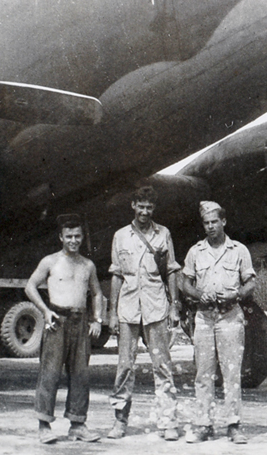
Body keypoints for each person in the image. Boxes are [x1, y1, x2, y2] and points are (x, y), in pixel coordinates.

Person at [107, 186, 181, 441]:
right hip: (128, 310)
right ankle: (120, 420)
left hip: (156, 307)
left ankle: (168, 421)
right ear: (133, 206)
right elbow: (116, 275)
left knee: (162, 366)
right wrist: (113, 313)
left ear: (154, 209)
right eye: (141, 206)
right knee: (125, 366)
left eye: (149, 207)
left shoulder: (163, 234)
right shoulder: (121, 236)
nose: (145, 211)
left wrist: (174, 306)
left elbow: (171, 270)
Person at [180, 201, 256, 444]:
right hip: (204, 316)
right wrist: (197, 293)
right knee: (203, 373)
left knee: (232, 373)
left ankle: (234, 425)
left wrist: (237, 294)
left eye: (214, 221)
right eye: (206, 223)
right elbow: (185, 283)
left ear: (223, 222)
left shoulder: (239, 250)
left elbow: (251, 283)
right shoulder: (195, 252)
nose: (210, 226)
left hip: (230, 316)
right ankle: (204, 424)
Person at [25, 214, 104, 444]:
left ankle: (77, 424)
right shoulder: (50, 261)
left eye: (77, 236)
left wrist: (97, 319)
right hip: (57, 320)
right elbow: (30, 286)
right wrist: (45, 311)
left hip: (80, 323)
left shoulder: (88, 265)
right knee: (50, 373)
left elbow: (97, 293)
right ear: (61, 237)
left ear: (82, 237)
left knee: (80, 375)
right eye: (68, 236)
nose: (73, 240)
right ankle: (44, 425)